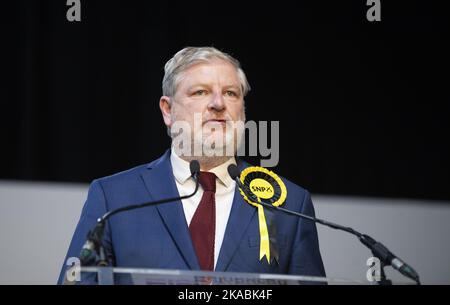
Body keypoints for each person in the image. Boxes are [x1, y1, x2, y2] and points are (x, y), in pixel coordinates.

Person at [58, 47, 325, 284]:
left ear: (242, 110)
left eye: (231, 93)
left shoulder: (290, 203)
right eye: (201, 92)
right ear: (167, 110)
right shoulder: (113, 197)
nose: (218, 104)